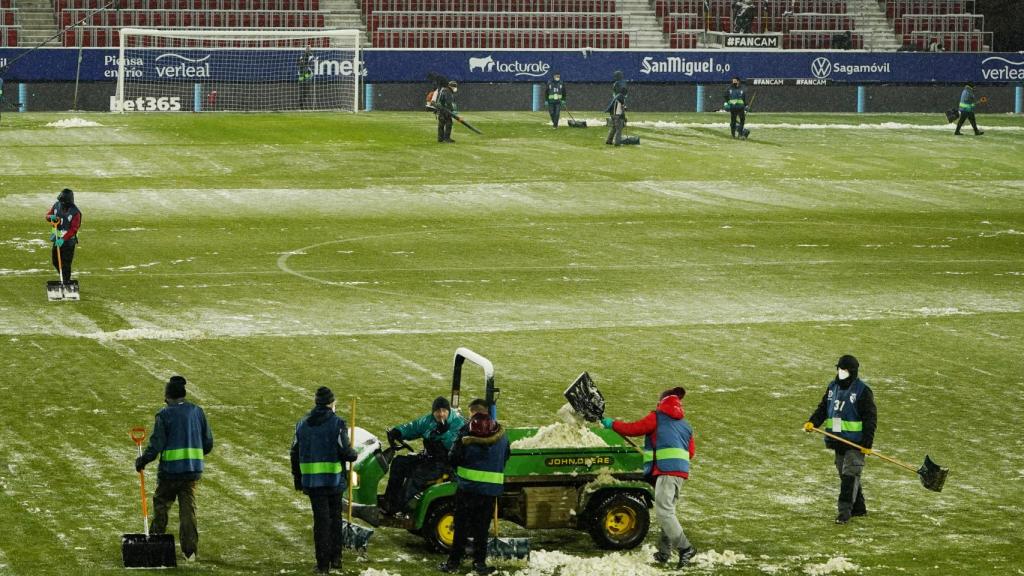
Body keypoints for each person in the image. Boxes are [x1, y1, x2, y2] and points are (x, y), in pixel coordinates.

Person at [602, 387, 696, 568]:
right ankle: (664, 553)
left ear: (661, 403)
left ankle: (686, 548)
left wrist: (612, 424)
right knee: (669, 512)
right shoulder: (686, 425)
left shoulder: (656, 417)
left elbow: (634, 428)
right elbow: (690, 452)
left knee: (664, 513)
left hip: (666, 472)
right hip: (680, 473)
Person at [135, 376, 214, 562]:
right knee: (188, 511)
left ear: (168, 396)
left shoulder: (164, 415)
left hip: (170, 472)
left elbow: (157, 445)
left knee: (161, 505)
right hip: (192, 471)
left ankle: (155, 543)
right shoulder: (197, 412)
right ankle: (190, 552)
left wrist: (143, 460)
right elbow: (208, 443)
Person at [291, 386, 358, 574]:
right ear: (331, 403)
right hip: (333, 481)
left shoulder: (302, 424)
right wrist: (354, 454)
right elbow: (346, 452)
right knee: (335, 519)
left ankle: (322, 565)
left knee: (321, 523)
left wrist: (298, 479)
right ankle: (336, 559)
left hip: (312, 482)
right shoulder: (337, 424)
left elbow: (294, 452)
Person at [439, 399, 511, 575]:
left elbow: (453, 457)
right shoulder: (501, 433)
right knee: (481, 529)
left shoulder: (466, 431)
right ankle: (479, 563)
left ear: (472, 412)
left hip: (467, 489)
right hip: (490, 491)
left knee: (461, 527)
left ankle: (453, 563)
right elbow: (506, 455)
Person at [803, 355, 877, 524]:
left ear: (852, 372)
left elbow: (870, 418)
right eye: (839, 369)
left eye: (844, 370)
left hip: (855, 443)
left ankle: (844, 512)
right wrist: (813, 422)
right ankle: (859, 508)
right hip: (837, 440)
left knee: (850, 475)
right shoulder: (832, 387)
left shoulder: (862, 391)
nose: (840, 372)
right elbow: (823, 408)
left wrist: (867, 443)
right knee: (845, 475)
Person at [381, 396, 465, 516]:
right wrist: (398, 431)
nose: (441, 414)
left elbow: (455, 447)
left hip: (445, 463)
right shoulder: (428, 420)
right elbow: (414, 427)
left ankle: (402, 509)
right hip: (428, 458)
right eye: (438, 411)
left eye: (444, 411)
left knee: (417, 474)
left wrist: (445, 433)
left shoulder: (458, 423)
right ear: (433, 412)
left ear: (449, 411)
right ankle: (390, 500)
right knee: (398, 463)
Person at [44, 188, 81, 284]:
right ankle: (63, 277)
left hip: (68, 242)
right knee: (55, 261)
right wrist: (50, 217)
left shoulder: (75, 213)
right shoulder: (57, 205)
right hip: (57, 239)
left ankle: (66, 282)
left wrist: (63, 239)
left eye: (63, 202)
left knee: (66, 264)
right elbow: (48, 215)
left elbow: (73, 229)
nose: (61, 203)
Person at [605, 71, 628, 146]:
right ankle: (617, 143)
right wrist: (623, 117)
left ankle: (609, 141)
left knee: (614, 127)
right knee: (619, 128)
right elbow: (620, 110)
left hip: (612, 113)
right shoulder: (621, 98)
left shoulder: (617, 96)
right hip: (616, 113)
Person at [297, 44, 315, 109]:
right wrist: (302, 64)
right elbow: (298, 63)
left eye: (309, 48)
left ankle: (302, 102)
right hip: (302, 74)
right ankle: (301, 103)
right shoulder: (302, 55)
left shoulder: (311, 55)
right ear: (305, 49)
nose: (308, 49)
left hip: (307, 75)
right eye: (307, 48)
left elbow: (312, 64)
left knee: (306, 89)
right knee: (302, 88)